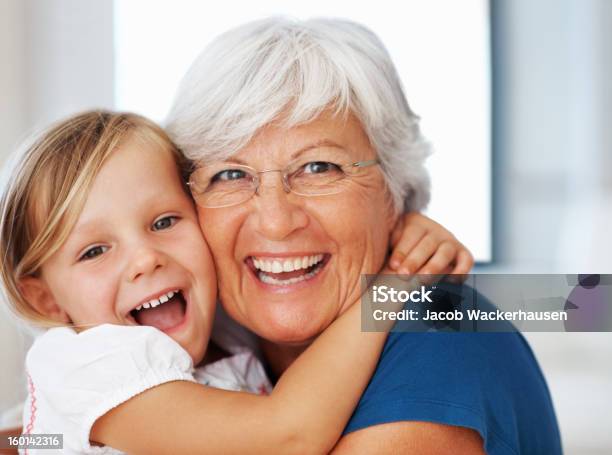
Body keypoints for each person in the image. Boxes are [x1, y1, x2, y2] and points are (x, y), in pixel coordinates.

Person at [166, 17, 563, 454]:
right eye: (230, 175)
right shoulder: (211, 344)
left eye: (319, 168)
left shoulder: (441, 339)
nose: (275, 221)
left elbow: (585, 303)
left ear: (395, 192)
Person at [0, 110, 469, 454]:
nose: (145, 259)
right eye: (95, 251)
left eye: (164, 222)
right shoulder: (89, 363)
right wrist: (394, 281)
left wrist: (401, 235)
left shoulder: (225, 330)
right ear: (44, 297)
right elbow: (289, 435)